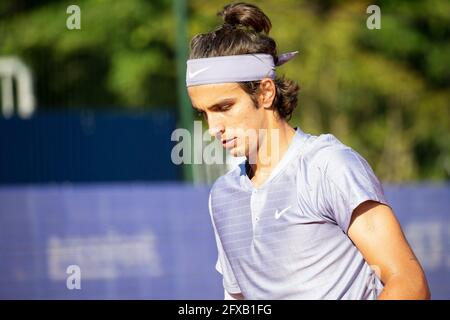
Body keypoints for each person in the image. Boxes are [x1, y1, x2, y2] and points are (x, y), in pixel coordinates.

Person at [185, 2, 430, 300]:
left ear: (265, 92)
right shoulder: (222, 196)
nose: (213, 127)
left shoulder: (329, 166)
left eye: (224, 107)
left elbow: (408, 283)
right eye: (203, 113)